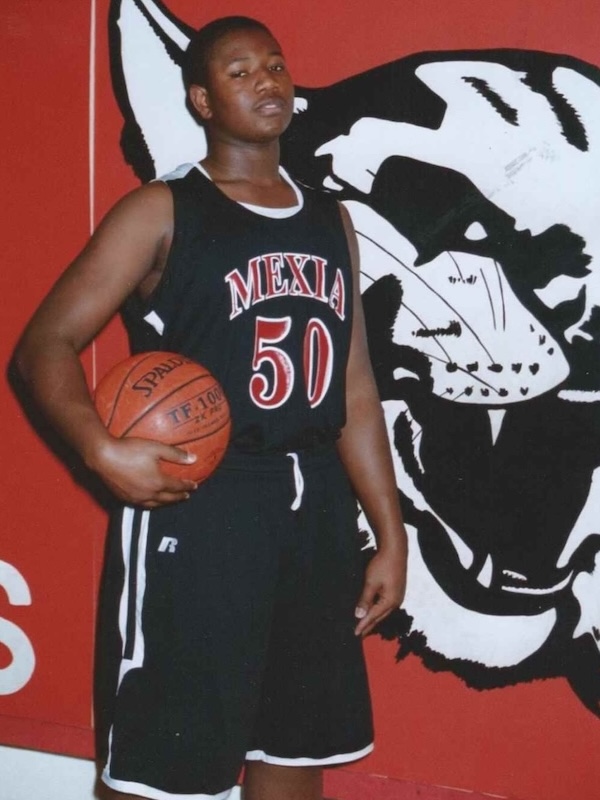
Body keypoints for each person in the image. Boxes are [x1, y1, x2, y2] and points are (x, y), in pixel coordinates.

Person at [16, 16, 407, 800]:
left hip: (315, 517)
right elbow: (42, 346)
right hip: (202, 507)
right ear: (200, 98)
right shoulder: (161, 211)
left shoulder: (332, 219)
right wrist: (99, 448)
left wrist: (390, 536)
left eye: (275, 65)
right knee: (162, 771)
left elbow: (355, 387)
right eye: (239, 72)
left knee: (294, 755)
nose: (266, 80)